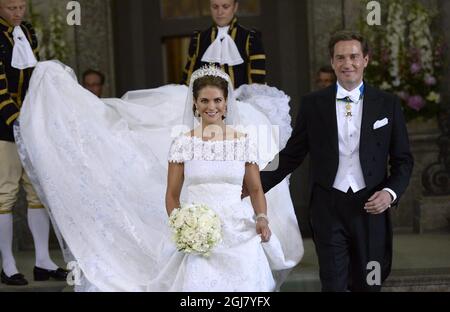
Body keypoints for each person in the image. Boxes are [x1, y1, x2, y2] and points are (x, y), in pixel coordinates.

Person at [15, 61, 303, 291]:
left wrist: (262, 218)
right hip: (197, 231)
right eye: (204, 100)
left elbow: (255, 190)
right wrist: (181, 226)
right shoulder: (182, 142)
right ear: (195, 104)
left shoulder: (243, 141)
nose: (211, 107)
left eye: (217, 100)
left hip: (239, 232)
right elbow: (172, 195)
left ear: (227, 103)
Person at [257, 31, 414, 292]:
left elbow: (403, 160)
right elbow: (291, 155)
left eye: (353, 56)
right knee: (333, 285)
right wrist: (251, 184)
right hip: (328, 208)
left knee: (369, 284)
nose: (347, 63)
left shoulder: (388, 104)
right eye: (340, 57)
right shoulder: (313, 104)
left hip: (371, 207)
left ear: (366, 59)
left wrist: (390, 193)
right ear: (332, 62)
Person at [0, 0, 67, 286]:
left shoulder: (27, 32)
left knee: (37, 191)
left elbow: (34, 80)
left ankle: (43, 260)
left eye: (21, 7)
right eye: (11, 8)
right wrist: (15, 118)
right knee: (5, 194)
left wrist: (35, 116)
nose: (18, 13)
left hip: (29, 122)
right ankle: (8, 263)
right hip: (3, 125)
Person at [182, 0, 266, 88]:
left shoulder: (250, 38)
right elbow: (188, 82)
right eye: (215, 7)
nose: (220, 12)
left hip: (241, 101)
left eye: (225, 7)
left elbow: (257, 84)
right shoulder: (199, 39)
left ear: (235, 7)